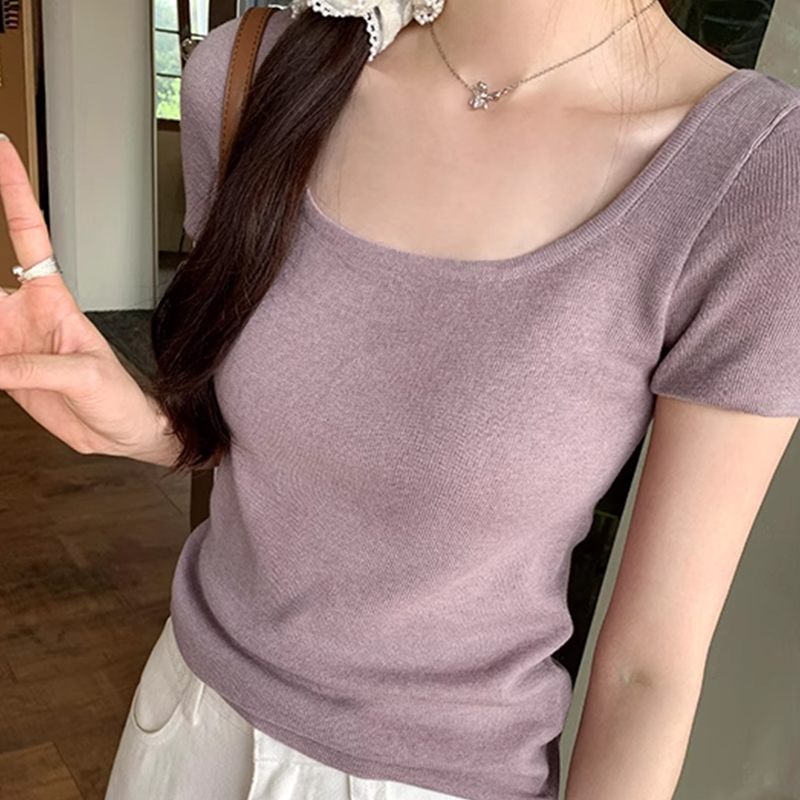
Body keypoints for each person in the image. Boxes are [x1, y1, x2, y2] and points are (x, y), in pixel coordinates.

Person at [1, 0, 799, 798]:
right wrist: (147, 427)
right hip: (189, 726)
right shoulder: (246, 74)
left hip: (440, 778)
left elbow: (645, 672)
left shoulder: (757, 177)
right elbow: (267, 449)